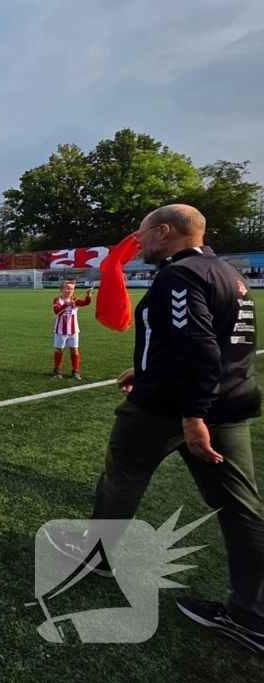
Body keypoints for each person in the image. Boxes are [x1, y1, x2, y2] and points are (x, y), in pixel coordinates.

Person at [46, 205, 264, 654]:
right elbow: (221, 345)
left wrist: (191, 415)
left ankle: (96, 558)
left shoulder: (178, 275)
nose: (138, 244)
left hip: (173, 408)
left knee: (121, 479)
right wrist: (144, 369)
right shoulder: (228, 273)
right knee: (241, 506)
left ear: (165, 232)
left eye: (143, 235)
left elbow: (199, 348)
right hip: (229, 403)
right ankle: (252, 614)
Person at [52, 280, 92, 379]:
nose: (69, 290)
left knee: (74, 349)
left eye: (72, 289)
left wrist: (89, 295)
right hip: (60, 330)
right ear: (61, 289)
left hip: (73, 330)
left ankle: (75, 370)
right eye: (67, 288)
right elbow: (57, 311)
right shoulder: (57, 300)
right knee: (59, 349)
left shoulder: (75, 300)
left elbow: (86, 303)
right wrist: (66, 304)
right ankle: (57, 369)